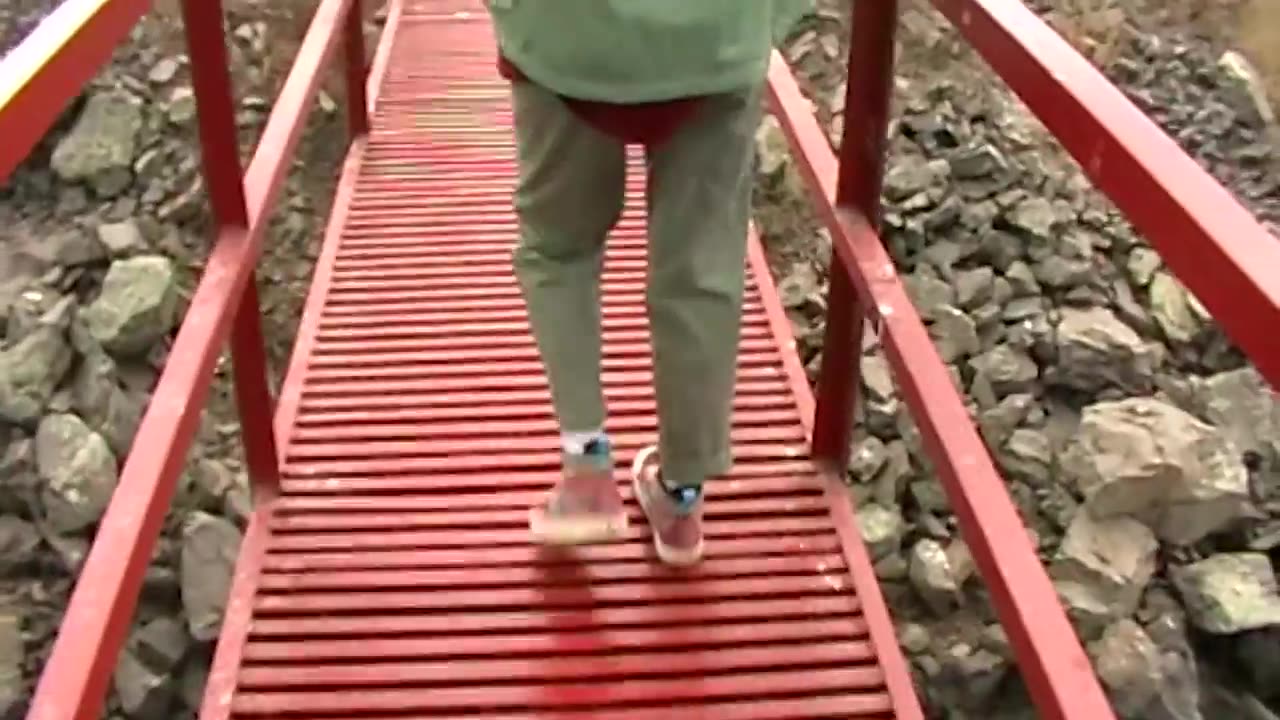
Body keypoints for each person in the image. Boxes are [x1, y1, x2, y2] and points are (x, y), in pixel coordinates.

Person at [487, 0, 810, 566]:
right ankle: (681, 499)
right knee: (701, 267)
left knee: (558, 248)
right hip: (718, 38)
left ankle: (586, 470)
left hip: (565, 37)